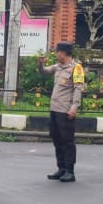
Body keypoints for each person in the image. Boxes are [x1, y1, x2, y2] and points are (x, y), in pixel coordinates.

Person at [36, 41, 84, 183]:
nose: (56, 54)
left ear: (64, 53)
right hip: (55, 109)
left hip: (65, 111)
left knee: (67, 141)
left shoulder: (76, 68)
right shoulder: (57, 67)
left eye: (58, 51)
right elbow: (44, 72)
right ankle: (61, 168)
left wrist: (74, 107)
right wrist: (40, 65)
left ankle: (69, 171)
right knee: (57, 140)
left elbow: (78, 89)